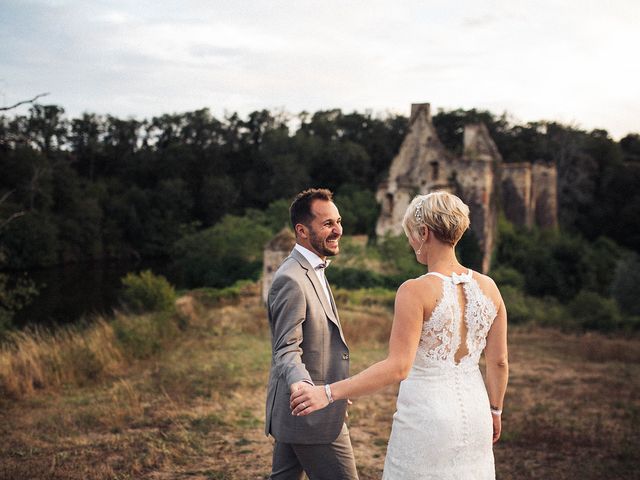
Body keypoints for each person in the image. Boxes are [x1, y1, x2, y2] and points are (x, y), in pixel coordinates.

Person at [290, 191, 509, 479]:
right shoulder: (489, 287)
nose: (410, 243)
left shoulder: (414, 290)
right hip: (477, 412)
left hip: (426, 417)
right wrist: (495, 411)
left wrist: (328, 393)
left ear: (425, 232)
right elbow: (499, 362)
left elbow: (398, 367)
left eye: (411, 235)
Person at [265, 188, 358, 480]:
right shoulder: (291, 279)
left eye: (338, 221)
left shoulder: (314, 268)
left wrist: (333, 388)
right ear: (302, 231)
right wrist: (307, 389)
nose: (338, 230)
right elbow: (286, 349)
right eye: (328, 224)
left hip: (301, 408)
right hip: (310, 409)